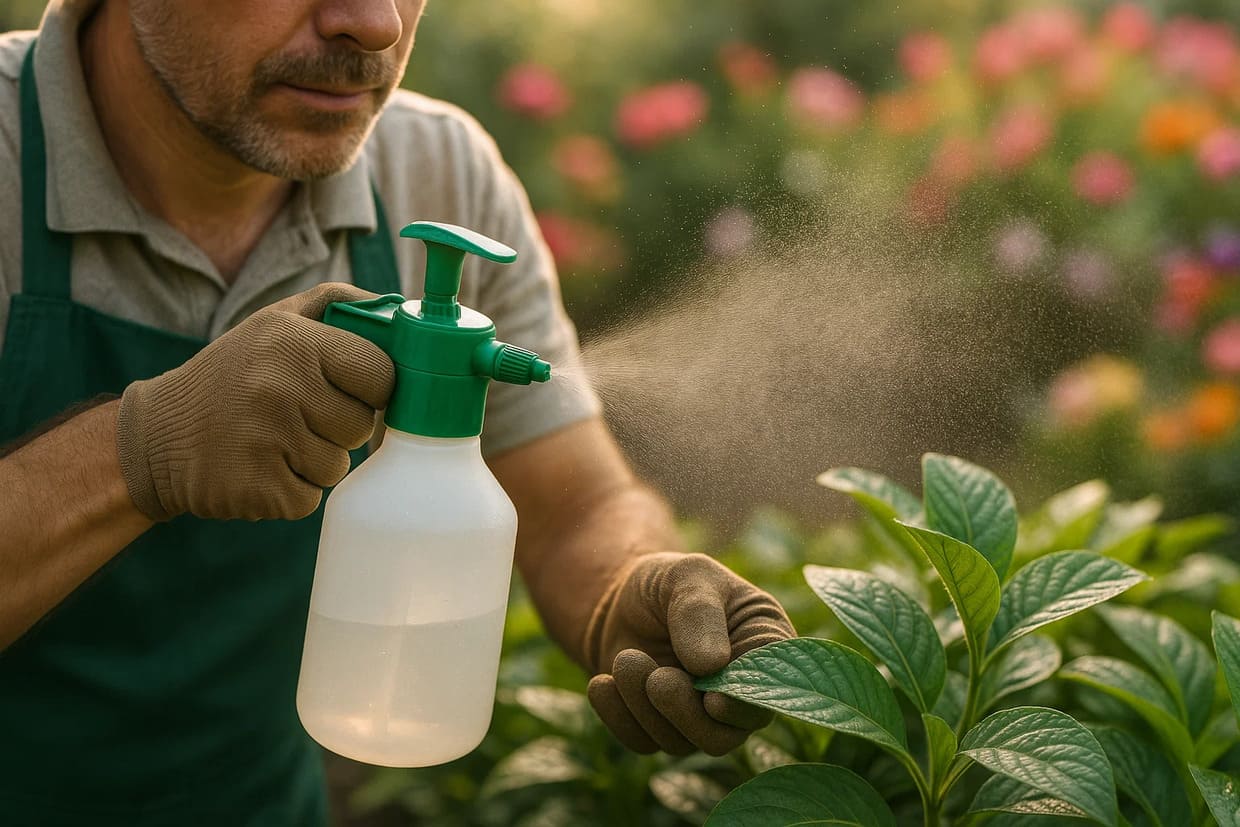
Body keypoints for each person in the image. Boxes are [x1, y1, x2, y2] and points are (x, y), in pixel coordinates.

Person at [0, 0, 795, 823]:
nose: (376, 24)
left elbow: (577, 508)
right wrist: (142, 452)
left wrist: (628, 585)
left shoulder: (437, 173)